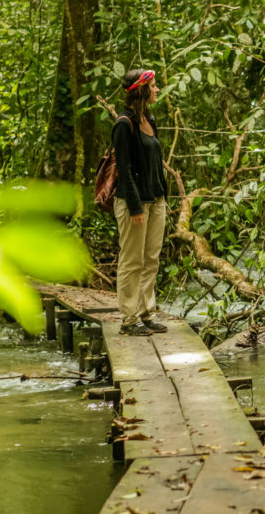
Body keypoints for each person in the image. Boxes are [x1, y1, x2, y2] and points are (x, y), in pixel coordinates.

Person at [113, 68, 169, 335]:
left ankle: (147, 312)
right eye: (154, 86)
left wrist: (162, 196)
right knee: (132, 261)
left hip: (156, 200)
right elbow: (124, 169)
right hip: (134, 203)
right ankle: (129, 319)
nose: (157, 90)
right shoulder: (124, 124)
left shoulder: (150, 118)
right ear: (142, 90)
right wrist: (135, 207)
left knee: (151, 259)